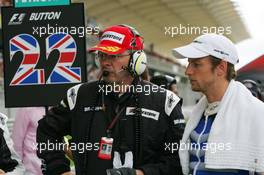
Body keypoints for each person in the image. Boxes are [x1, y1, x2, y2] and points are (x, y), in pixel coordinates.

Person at [37, 25, 185, 175]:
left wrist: (142, 173)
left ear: (136, 59)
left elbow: (178, 160)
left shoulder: (165, 102)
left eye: (113, 56)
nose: (104, 62)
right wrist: (59, 169)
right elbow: (46, 130)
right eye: (102, 55)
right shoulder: (79, 95)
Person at [172, 33, 264, 175]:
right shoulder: (198, 115)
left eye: (196, 64)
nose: (187, 71)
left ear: (221, 68)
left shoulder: (257, 114)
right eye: (189, 63)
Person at [11, 107, 45, 175]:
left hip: (53, 166)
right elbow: (17, 141)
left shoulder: (56, 108)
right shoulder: (26, 109)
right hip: (31, 168)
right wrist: (17, 167)